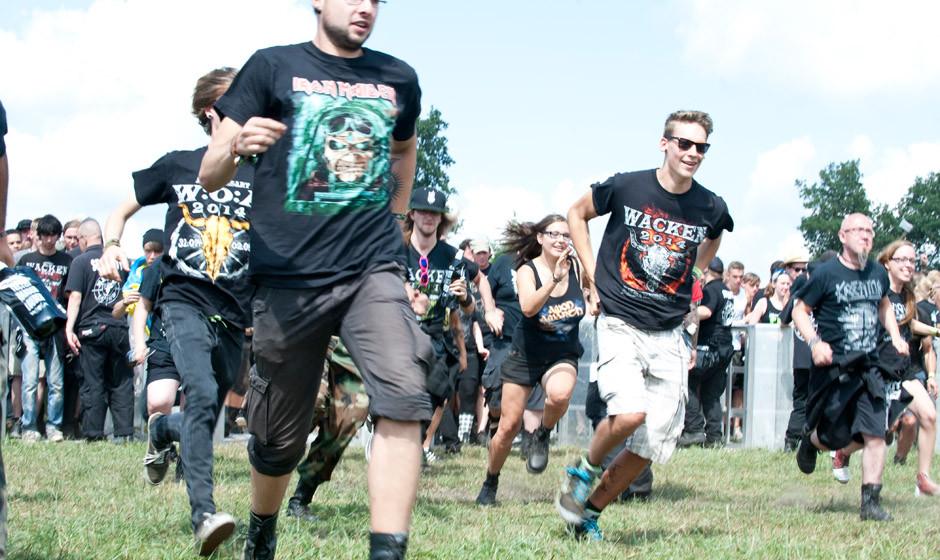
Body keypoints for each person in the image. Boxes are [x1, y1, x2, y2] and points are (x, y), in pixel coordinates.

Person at [198, 2, 431, 557]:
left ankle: (387, 551)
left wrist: (396, 217)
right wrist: (235, 145)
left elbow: (403, 148)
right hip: (288, 277)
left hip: (371, 266)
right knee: (278, 440)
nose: (366, 8)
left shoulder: (397, 77)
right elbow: (209, 172)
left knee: (404, 391)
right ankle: (263, 526)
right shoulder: (270, 67)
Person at [557, 110, 733, 539]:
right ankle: (583, 470)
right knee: (630, 412)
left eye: (701, 147)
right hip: (621, 320)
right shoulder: (628, 185)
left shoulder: (710, 204)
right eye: (684, 144)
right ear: (665, 143)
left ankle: (588, 514)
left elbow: (716, 232)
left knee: (651, 447)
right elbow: (576, 213)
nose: (692, 153)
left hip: (670, 330)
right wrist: (591, 273)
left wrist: (695, 276)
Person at [99, 67, 252, 556]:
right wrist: (109, 245)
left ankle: (164, 428)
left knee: (204, 410)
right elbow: (120, 212)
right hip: (183, 299)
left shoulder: (261, 171)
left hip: (233, 312)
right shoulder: (178, 165)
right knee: (203, 391)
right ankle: (204, 514)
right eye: (237, 99)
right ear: (211, 112)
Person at [791, 213, 909, 521]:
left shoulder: (877, 274)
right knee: (835, 437)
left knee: (875, 435)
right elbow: (800, 310)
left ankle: (870, 503)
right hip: (834, 366)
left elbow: (884, 304)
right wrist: (815, 342)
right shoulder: (826, 274)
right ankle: (810, 440)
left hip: (869, 366)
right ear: (843, 236)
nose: (866, 236)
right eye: (858, 230)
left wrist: (895, 336)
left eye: (870, 231)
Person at [476, 215, 587, 505]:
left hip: (562, 352)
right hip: (526, 354)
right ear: (540, 238)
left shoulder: (576, 266)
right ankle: (491, 480)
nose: (561, 240)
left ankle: (542, 434)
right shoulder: (527, 270)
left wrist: (595, 298)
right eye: (553, 234)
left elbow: (594, 292)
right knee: (508, 427)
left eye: (566, 235)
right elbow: (527, 307)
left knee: (560, 395)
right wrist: (554, 278)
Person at [832, 240, 940, 495]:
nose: (908, 265)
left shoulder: (907, 294)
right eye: (901, 260)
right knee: (875, 433)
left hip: (903, 370)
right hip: (877, 370)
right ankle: (842, 452)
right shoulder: (876, 291)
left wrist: (935, 330)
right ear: (887, 263)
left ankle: (923, 479)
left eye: (912, 261)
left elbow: (909, 324)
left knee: (929, 415)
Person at [64, 219, 134, 442]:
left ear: (83, 240)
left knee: (93, 382)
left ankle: (94, 434)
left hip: (91, 330)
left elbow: (75, 297)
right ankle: (124, 433)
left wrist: (69, 327)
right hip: (118, 327)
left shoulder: (80, 261)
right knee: (121, 382)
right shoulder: (118, 260)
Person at [15, 214, 72, 442]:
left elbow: (71, 295)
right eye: (45, 235)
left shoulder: (67, 261)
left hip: (56, 328)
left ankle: (53, 426)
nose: (49, 240)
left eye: (53, 236)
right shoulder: (26, 260)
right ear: (38, 236)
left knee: (56, 381)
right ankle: (29, 426)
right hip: (30, 326)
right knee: (29, 380)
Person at [679, 257, 734, 447]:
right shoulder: (727, 290)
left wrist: (686, 311)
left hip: (709, 347)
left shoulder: (711, 289)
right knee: (711, 394)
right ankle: (714, 437)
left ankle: (693, 430)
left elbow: (707, 312)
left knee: (690, 383)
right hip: (724, 347)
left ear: (708, 270)